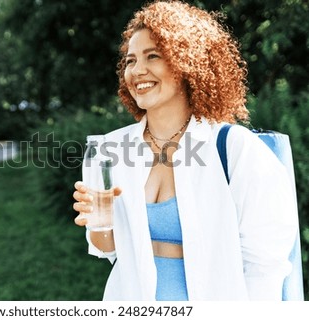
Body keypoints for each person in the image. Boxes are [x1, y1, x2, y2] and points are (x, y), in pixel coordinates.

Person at [72, 0, 298, 301]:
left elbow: (265, 266)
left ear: (187, 62)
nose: (137, 71)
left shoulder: (235, 148)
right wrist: (100, 222)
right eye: (130, 60)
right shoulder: (112, 148)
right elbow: (107, 249)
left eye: (153, 56)